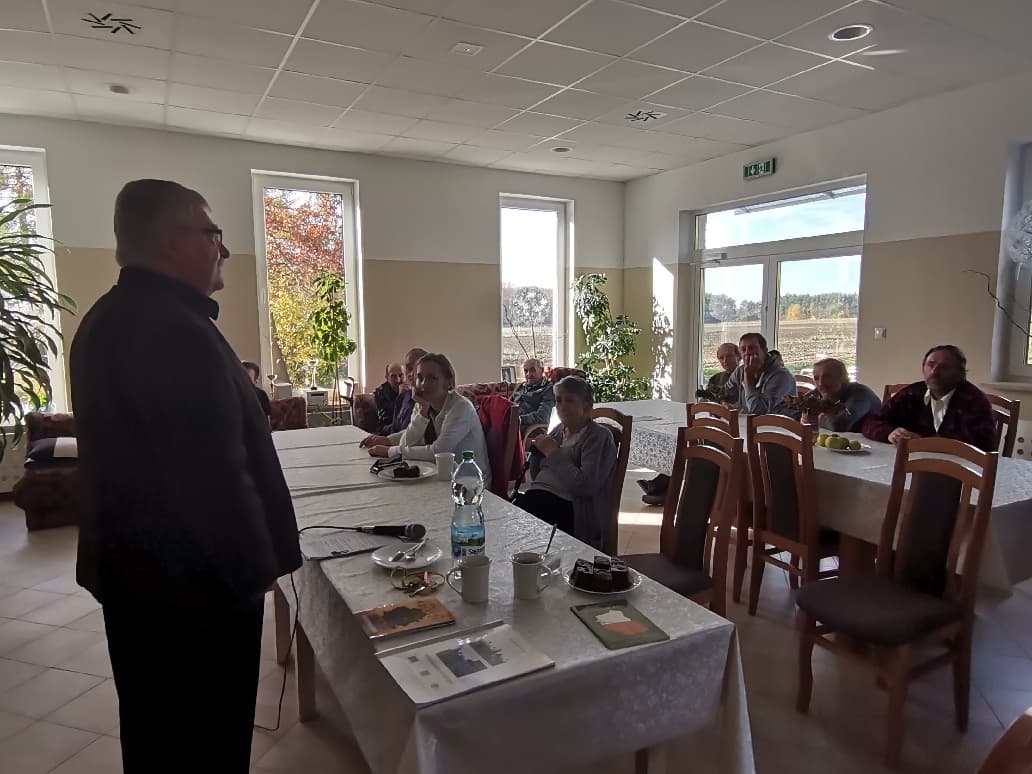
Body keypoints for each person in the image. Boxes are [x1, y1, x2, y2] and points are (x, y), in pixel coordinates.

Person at [70, 180, 301, 773]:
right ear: (173, 241)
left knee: (157, 732)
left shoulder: (116, 316)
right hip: (194, 594)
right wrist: (253, 572)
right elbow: (210, 477)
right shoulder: (169, 329)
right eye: (213, 233)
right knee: (203, 741)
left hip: (149, 581)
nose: (223, 249)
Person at [515, 376, 617, 550]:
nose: (561, 406)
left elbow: (585, 486)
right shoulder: (558, 431)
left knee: (520, 525)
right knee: (512, 517)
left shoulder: (599, 437)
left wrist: (553, 453)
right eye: (558, 400)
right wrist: (538, 452)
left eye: (569, 400)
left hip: (574, 510)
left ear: (587, 406)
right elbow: (538, 474)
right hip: (541, 497)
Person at [362, 352, 491, 486]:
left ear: (448, 381)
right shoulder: (423, 404)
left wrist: (390, 451)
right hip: (442, 477)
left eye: (432, 378)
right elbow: (406, 443)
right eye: (420, 377)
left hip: (471, 485)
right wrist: (423, 412)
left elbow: (438, 451)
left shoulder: (461, 408)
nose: (424, 384)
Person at [862, 345, 996, 451]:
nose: (934, 372)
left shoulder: (974, 400)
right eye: (930, 364)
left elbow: (983, 445)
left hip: (961, 471)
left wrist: (924, 442)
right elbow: (872, 421)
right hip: (911, 463)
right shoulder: (912, 393)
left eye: (944, 367)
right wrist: (890, 433)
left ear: (960, 373)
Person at [723, 332, 797, 415]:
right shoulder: (740, 371)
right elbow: (724, 394)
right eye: (743, 350)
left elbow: (758, 412)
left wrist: (749, 382)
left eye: (751, 348)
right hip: (748, 421)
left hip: (778, 422)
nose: (747, 353)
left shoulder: (781, 376)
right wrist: (725, 403)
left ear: (764, 351)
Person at [809, 358, 881, 432]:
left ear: (843, 378)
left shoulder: (861, 394)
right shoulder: (822, 391)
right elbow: (801, 410)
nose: (820, 383)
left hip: (865, 439)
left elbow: (838, 425)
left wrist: (816, 417)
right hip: (838, 438)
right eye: (816, 378)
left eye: (827, 377)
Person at [390, 346, 427, 433]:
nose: (411, 374)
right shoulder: (401, 398)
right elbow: (394, 431)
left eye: (417, 368)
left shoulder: (432, 401)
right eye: (409, 368)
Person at [511, 357, 555, 430]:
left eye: (532, 370)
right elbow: (508, 404)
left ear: (542, 370)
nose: (528, 374)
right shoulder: (520, 386)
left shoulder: (548, 389)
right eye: (526, 371)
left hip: (527, 426)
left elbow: (542, 416)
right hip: (511, 421)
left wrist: (519, 419)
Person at [373, 361, 404, 434]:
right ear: (387, 377)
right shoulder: (380, 393)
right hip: (387, 426)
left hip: (404, 425)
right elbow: (390, 415)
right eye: (393, 376)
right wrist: (401, 396)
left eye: (401, 375)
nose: (398, 380)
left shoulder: (410, 390)